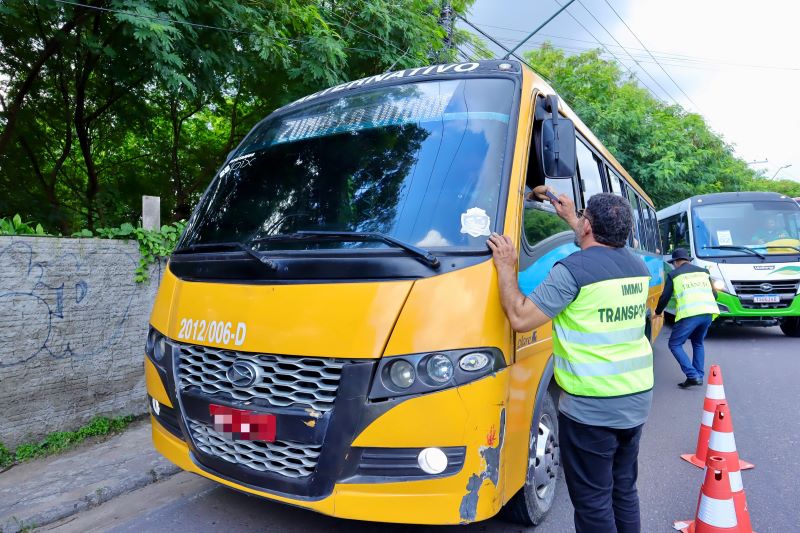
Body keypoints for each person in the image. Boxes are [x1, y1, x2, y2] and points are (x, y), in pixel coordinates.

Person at [488, 187, 652, 533]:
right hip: (636, 400)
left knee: (593, 502)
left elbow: (519, 317)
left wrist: (505, 266)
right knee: (623, 490)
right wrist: (572, 217)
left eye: (583, 220)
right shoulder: (636, 265)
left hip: (592, 409)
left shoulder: (573, 270)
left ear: (589, 226)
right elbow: (601, 244)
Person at [655, 248, 719, 388]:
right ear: (687, 260)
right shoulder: (703, 272)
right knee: (698, 342)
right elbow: (715, 295)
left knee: (675, 344)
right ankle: (698, 375)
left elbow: (665, 297)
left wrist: (657, 312)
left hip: (690, 314)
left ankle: (692, 375)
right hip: (708, 313)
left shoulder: (674, 274)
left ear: (676, 262)